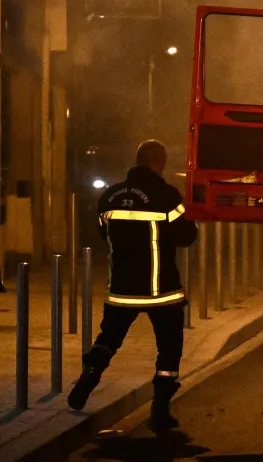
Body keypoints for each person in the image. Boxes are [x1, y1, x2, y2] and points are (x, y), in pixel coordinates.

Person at [67, 140, 199, 432]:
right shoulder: (166, 195)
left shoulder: (109, 196)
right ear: (160, 163)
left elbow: (102, 234)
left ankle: (90, 373)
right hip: (160, 291)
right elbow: (187, 236)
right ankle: (160, 410)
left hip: (121, 290)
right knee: (168, 351)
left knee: (108, 338)